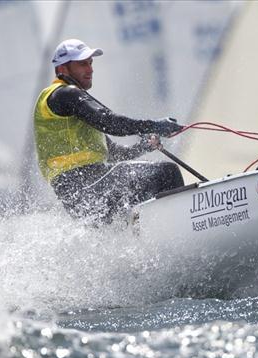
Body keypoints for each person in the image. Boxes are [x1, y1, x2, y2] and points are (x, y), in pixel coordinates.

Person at [34, 38, 185, 224]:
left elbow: (114, 153)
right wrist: (153, 125)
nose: (90, 69)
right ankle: (178, 230)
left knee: (148, 183)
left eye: (90, 63)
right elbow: (109, 122)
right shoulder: (64, 94)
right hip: (81, 186)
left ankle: (145, 235)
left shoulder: (75, 110)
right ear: (63, 69)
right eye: (82, 64)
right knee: (166, 172)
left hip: (91, 187)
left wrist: (145, 145)